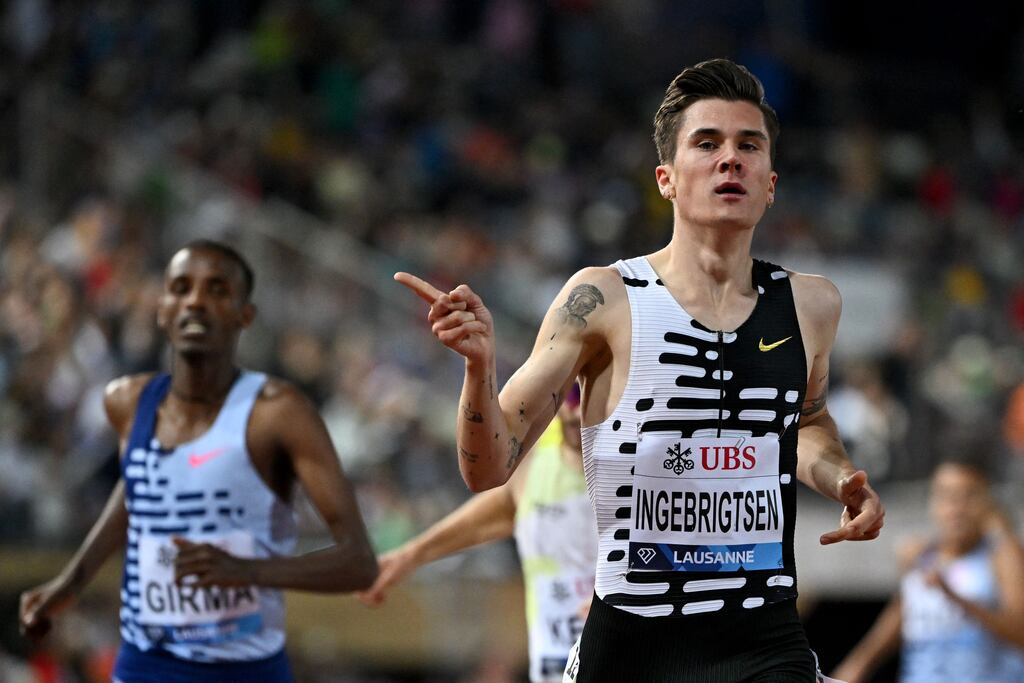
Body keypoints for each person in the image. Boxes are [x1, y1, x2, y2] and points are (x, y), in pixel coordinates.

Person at [395, 58, 884, 681]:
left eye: (748, 145)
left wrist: (841, 479)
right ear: (666, 179)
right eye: (706, 144)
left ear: (770, 183)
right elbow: (487, 468)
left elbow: (804, 423)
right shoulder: (602, 299)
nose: (729, 160)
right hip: (633, 640)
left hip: (764, 637)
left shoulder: (812, 305)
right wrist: (479, 367)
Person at [19, 240, 378, 682]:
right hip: (143, 664)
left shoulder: (278, 414)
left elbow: (359, 563)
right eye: (181, 288)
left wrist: (248, 571)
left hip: (243, 670)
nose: (195, 301)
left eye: (217, 290)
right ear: (162, 310)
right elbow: (138, 490)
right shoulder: (127, 402)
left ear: (245, 315)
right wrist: (71, 582)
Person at [357, 386, 597, 682]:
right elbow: (501, 509)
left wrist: (618, 604)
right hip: (554, 666)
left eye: (586, 396)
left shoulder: (641, 461)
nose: (575, 411)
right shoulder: (537, 451)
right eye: (571, 394)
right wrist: (410, 556)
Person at [834, 459, 1024, 683]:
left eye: (968, 496)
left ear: (986, 503)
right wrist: (858, 664)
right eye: (946, 496)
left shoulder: (1001, 555)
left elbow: (1019, 633)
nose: (956, 508)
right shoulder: (920, 556)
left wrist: (954, 597)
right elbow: (903, 613)